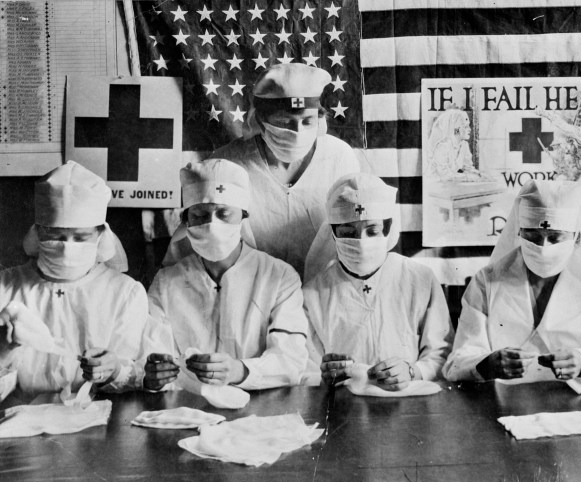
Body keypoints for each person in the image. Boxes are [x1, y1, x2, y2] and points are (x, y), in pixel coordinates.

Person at [164, 63, 360, 278]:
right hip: (251, 287)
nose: (297, 132)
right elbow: (195, 235)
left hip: (322, 289)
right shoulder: (228, 163)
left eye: (307, 121)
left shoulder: (339, 157)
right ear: (259, 119)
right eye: (284, 122)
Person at [443, 179, 581, 384]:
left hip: (578, 406)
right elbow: (458, 361)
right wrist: (486, 364)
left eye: (555, 237)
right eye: (532, 236)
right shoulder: (487, 281)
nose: (543, 246)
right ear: (519, 231)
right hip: (502, 403)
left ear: (576, 237)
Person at [144, 159, 309, 391]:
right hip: (188, 409)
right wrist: (154, 372)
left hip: (260, 411)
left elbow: (291, 361)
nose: (212, 225)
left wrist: (240, 371)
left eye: (224, 214)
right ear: (185, 220)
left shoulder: (279, 277)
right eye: (200, 215)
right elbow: (151, 354)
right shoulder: (166, 283)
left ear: (243, 217)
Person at [0, 161, 152, 397]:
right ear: (38, 231)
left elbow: (139, 376)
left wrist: (114, 369)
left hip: (97, 420)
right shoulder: (6, 286)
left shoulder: (124, 293)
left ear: (100, 235)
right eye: (56, 236)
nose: (67, 248)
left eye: (80, 237)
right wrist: (4, 352)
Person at [303, 174, 453, 391]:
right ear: (333, 233)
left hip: (411, 405)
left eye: (372, 231)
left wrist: (413, 371)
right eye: (349, 233)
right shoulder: (313, 295)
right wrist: (322, 376)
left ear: (388, 229)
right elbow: (304, 369)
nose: (361, 243)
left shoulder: (420, 279)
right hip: (346, 409)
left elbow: (442, 355)